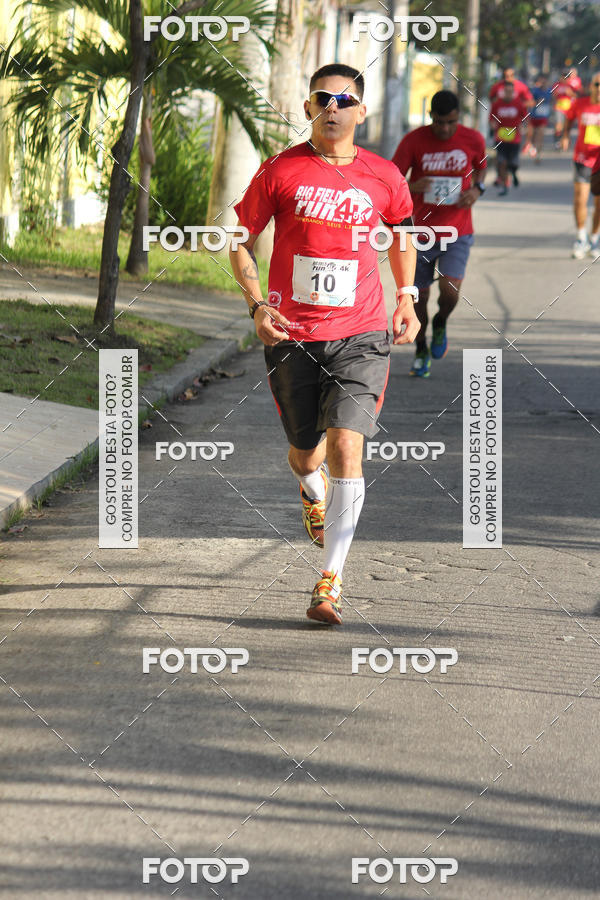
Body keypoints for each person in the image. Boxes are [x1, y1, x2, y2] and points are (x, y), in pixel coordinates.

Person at [229, 63, 419, 625]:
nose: (334, 107)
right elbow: (240, 239)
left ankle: (329, 580)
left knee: (345, 448)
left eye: (345, 99)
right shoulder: (281, 170)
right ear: (309, 107)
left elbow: (402, 234)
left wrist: (406, 296)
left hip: (362, 333)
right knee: (306, 454)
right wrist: (257, 305)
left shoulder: (384, 175)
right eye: (323, 98)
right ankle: (312, 492)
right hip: (293, 335)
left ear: (362, 111)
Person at [391, 90, 486, 378]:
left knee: (450, 290)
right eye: (439, 122)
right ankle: (421, 348)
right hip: (420, 233)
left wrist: (476, 190)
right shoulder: (414, 140)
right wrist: (411, 186)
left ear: (459, 118)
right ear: (430, 116)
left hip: (458, 230)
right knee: (418, 297)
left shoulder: (473, 139)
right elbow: (393, 178)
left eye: (451, 122)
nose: (445, 129)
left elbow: (481, 168)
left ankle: (441, 320)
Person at [562, 73, 600, 258]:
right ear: (591, 86)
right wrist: (565, 136)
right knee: (580, 198)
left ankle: (594, 238)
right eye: (597, 84)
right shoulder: (580, 103)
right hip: (583, 158)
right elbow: (568, 118)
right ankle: (580, 237)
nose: (599, 88)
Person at [490, 82, 528, 195]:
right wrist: (492, 125)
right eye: (506, 91)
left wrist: (524, 126)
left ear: (513, 92)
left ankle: (514, 173)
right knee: (501, 162)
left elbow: (525, 117)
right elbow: (491, 118)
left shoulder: (518, 103)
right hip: (500, 137)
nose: (508, 94)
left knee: (513, 163)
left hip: (514, 138)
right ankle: (504, 185)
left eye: (511, 91)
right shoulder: (497, 104)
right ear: (503, 92)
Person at [526, 73, 552, 162]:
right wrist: (537, 102)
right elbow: (530, 102)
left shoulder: (549, 91)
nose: (543, 83)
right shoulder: (535, 91)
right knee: (532, 135)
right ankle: (532, 147)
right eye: (541, 81)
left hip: (543, 117)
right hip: (534, 116)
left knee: (540, 135)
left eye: (545, 81)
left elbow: (552, 101)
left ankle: (538, 154)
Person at [553, 71, 575, 145]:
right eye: (563, 78)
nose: (564, 80)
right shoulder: (557, 85)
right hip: (559, 107)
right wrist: (556, 93)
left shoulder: (570, 85)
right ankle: (557, 140)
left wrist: (570, 93)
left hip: (568, 108)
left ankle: (564, 140)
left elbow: (575, 95)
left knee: (566, 126)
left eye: (566, 78)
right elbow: (553, 95)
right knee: (559, 125)